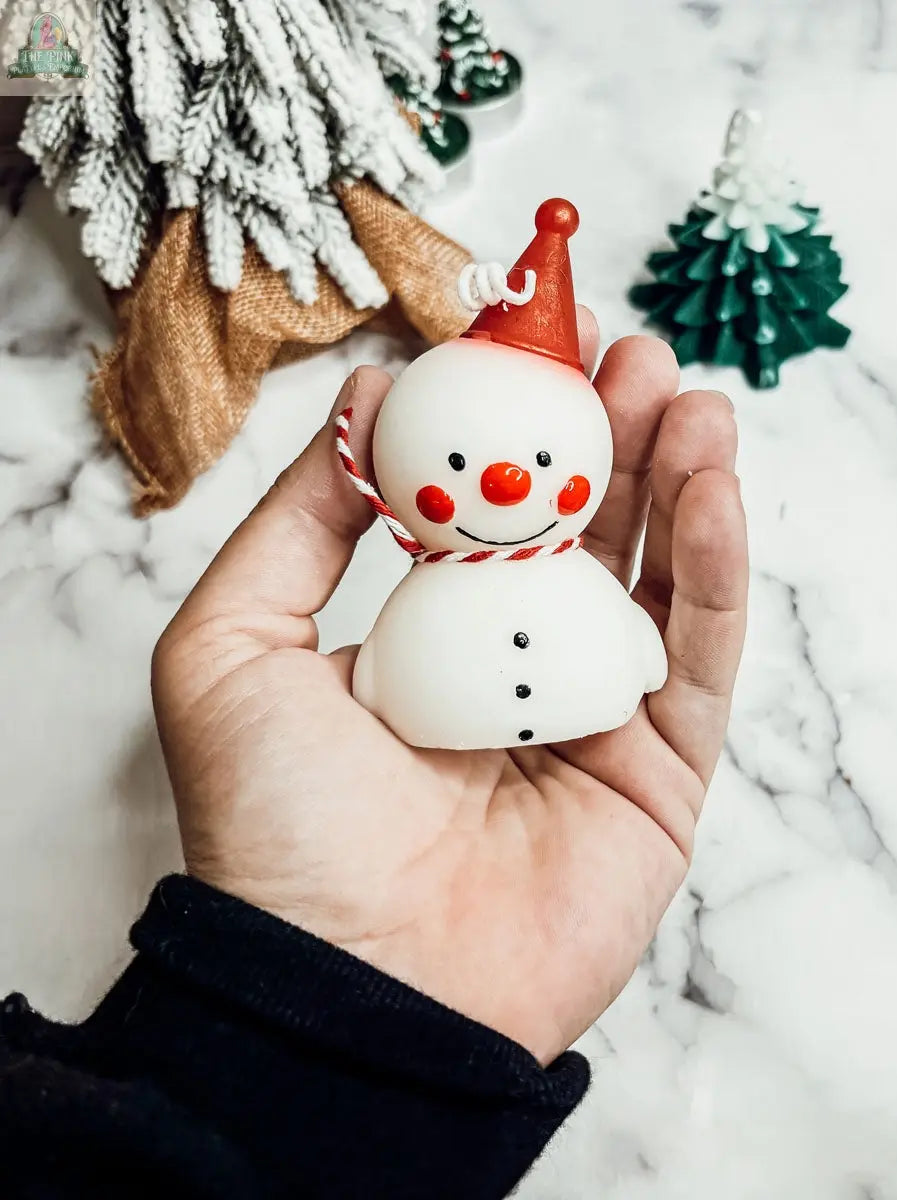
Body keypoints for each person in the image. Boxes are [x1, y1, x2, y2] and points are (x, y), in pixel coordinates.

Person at [0, 325, 748, 1198]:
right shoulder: (426, 601)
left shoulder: (575, 586)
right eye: (459, 463)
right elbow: (392, 671)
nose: (505, 482)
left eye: (542, 460)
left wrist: (636, 654)